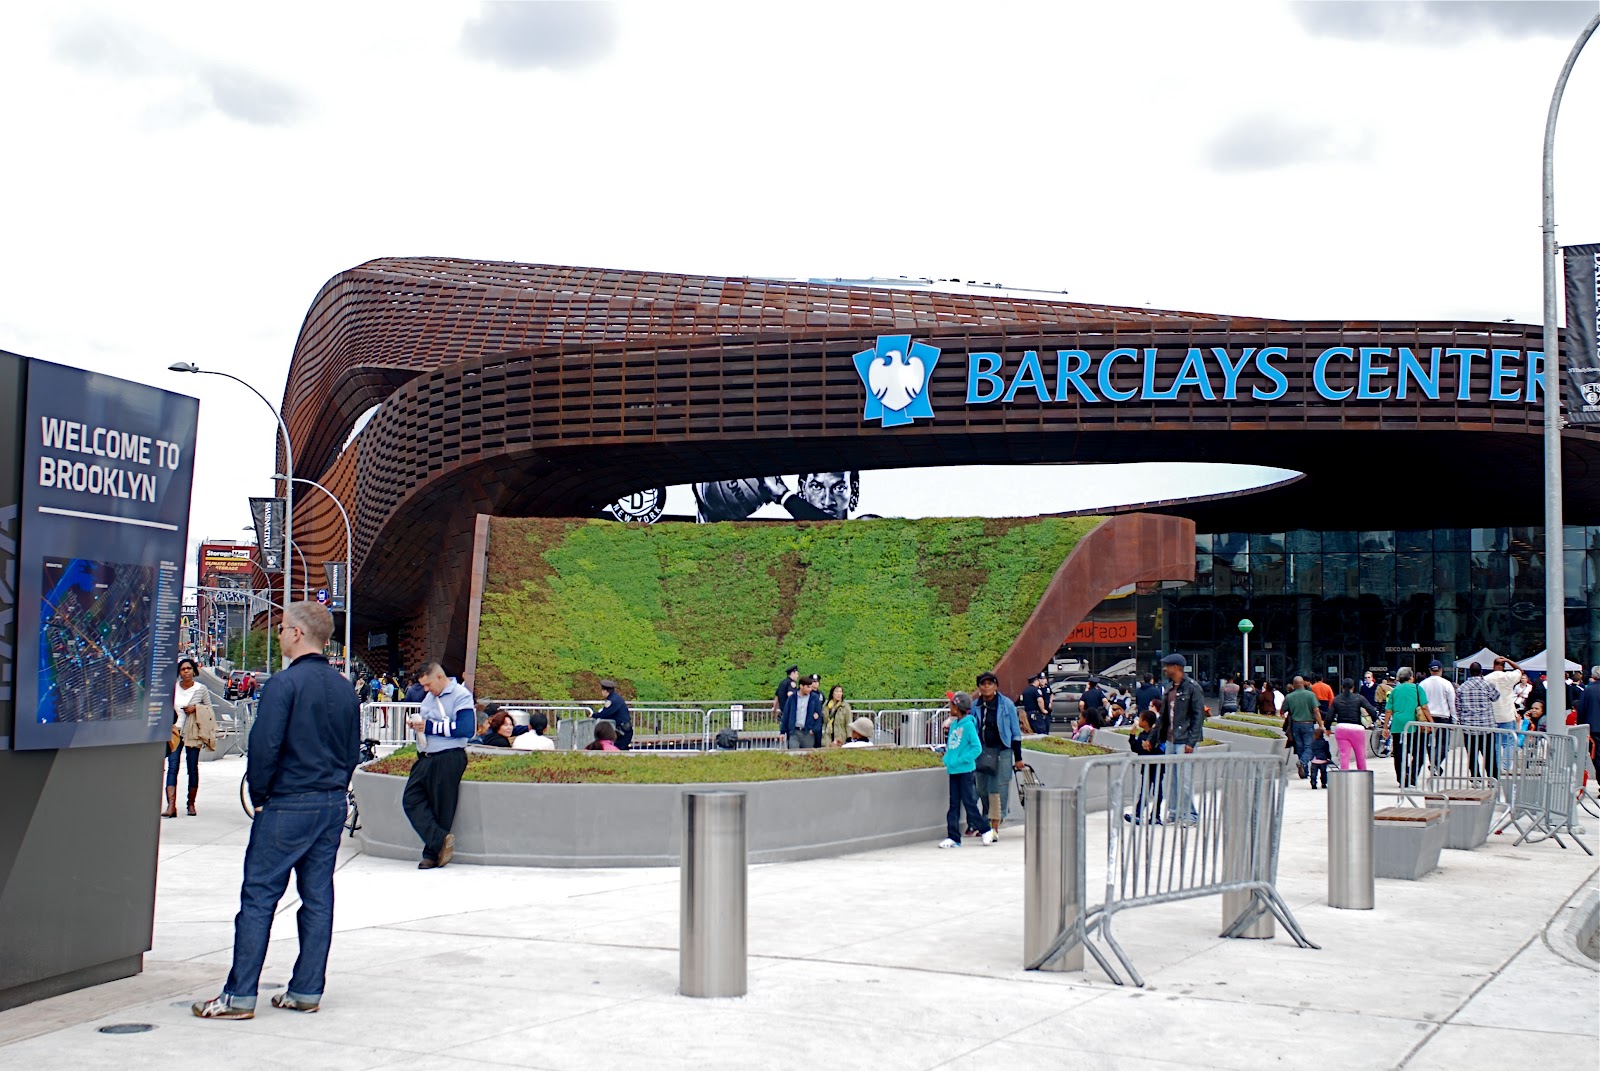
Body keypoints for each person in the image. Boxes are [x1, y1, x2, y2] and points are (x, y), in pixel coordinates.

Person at [192, 602, 360, 1020]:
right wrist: (337, 786)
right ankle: (306, 989)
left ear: (299, 634)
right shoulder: (344, 688)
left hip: (288, 801)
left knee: (259, 896)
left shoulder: (283, 686)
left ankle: (239, 995)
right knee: (317, 897)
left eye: (283, 628)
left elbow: (264, 747)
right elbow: (352, 749)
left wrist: (262, 795)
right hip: (330, 801)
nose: (280, 635)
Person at [402, 662, 475, 871]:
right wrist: (418, 726)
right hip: (426, 755)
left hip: (448, 756)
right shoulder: (430, 697)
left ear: (440, 678)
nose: (425, 690)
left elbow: (466, 728)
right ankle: (440, 840)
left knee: (441, 806)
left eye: (427, 685)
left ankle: (432, 853)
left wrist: (429, 726)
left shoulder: (461, 695)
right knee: (411, 799)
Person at [938, 692, 995, 848]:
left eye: (951, 704)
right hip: (953, 770)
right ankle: (953, 837)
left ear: (958, 707)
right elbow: (951, 746)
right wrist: (948, 759)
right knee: (954, 804)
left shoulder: (969, 725)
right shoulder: (954, 725)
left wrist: (960, 760)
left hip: (965, 771)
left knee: (969, 803)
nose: (949, 707)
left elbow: (976, 748)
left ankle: (985, 829)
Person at [972, 671, 1025, 836]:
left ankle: (994, 823)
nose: (986, 686)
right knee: (981, 788)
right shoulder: (976, 705)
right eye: (983, 684)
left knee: (997, 787)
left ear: (996, 686)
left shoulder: (1006, 704)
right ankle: (988, 816)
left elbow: (1015, 732)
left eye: (990, 683)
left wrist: (1018, 758)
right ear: (979, 687)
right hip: (981, 751)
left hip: (1002, 751)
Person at [165, 657, 216, 818]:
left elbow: (209, 710)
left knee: (192, 768)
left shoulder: (201, 689)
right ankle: (171, 805)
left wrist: (196, 708)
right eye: (182, 669)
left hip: (192, 733)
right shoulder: (173, 688)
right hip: (175, 732)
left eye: (188, 668)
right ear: (179, 672)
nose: (186, 671)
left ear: (194, 670)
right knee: (172, 767)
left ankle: (191, 804)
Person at [1160, 654, 1205, 824]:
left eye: (1168, 666)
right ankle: (1174, 813)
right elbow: (1163, 717)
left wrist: (1191, 742)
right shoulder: (1169, 688)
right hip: (1171, 740)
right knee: (1170, 780)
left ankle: (1190, 815)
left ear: (1177, 667)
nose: (1165, 669)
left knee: (1185, 781)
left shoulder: (1193, 688)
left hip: (1185, 740)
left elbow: (1198, 717)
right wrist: (1154, 738)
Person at [1453, 662, 1500, 777]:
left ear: (1469, 672)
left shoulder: (1461, 688)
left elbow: (1458, 707)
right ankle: (1492, 777)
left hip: (1469, 727)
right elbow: (1496, 697)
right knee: (1489, 754)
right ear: (1481, 672)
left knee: (1472, 754)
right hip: (1486, 726)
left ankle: (1475, 777)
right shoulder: (1487, 685)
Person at [1385, 667, 1428, 788]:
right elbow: (1424, 707)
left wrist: (1385, 727)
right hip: (1415, 726)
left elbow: (1388, 710)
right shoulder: (1417, 688)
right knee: (1418, 753)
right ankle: (1412, 776)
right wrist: (1431, 722)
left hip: (1398, 725)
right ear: (1411, 677)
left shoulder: (1394, 690)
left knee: (1399, 754)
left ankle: (1401, 778)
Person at [1123, 709, 1165, 824]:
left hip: (1157, 767)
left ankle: (1155, 816)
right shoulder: (1142, 735)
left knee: (1158, 792)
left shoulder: (1157, 735)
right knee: (1144, 791)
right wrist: (1132, 736)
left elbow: (1161, 749)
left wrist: (1151, 748)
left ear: (1145, 722)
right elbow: (1136, 748)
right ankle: (1138, 814)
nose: (1138, 721)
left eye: (1140, 719)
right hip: (1146, 767)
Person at [1326, 677, 1375, 773]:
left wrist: (1327, 728)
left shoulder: (1336, 699)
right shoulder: (1359, 698)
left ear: (1342, 688)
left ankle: (1344, 778)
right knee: (1360, 755)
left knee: (1344, 755)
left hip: (1341, 728)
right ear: (1353, 688)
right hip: (1357, 728)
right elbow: (1371, 709)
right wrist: (1375, 720)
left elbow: (1329, 716)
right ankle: (1362, 777)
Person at [1484, 657, 1524, 771]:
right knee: (1509, 742)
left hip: (1493, 716)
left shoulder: (1486, 679)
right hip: (1507, 714)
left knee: (1496, 743)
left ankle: (1496, 766)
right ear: (1504, 666)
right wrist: (1509, 660)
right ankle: (1506, 766)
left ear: (1493, 666)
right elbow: (1520, 671)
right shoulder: (1508, 677)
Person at [1283, 676, 1321, 780]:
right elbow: (1316, 710)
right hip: (1308, 723)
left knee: (1299, 747)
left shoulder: (1289, 697)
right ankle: (1303, 762)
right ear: (1303, 683)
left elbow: (1283, 710)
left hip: (1295, 724)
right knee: (1309, 746)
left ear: (1294, 684)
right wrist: (1320, 724)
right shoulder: (1311, 695)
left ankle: (1304, 771)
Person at [781, 673, 823, 749]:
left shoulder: (814, 698)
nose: (810, 689)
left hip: (807, 732)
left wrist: (814, 730)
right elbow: (786, 715)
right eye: (808, 687)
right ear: (801, 686)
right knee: (793, 754)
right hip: (795, 732)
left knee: (808, 755)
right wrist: (782, 732)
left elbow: (819, 715)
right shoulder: (792, 698)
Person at [597, 679, 633, 749]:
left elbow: (605, 714)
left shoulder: (612, 700)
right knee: (621, 750)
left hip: (623, 731)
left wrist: (593, 715)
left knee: (618, 750)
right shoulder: (615, 698)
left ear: (605, 691)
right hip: (623, 730)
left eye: (602, 690)